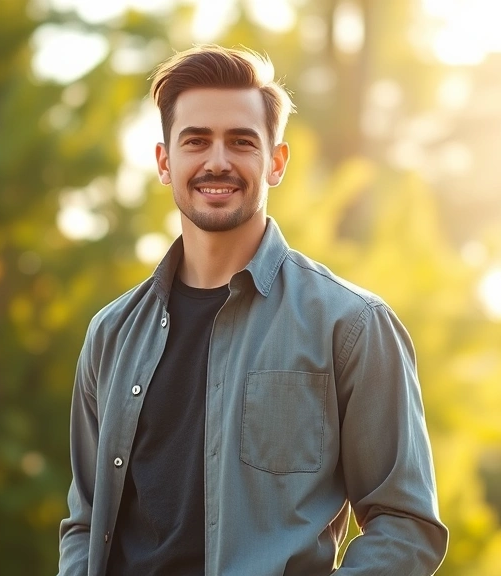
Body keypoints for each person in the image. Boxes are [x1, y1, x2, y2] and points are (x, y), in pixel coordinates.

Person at [58, 44, 448, 576]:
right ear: (164, 162)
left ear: (276, 162)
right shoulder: (111, 334)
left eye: (241, 142)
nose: (217, 161)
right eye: (196, 141)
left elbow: (405, 526)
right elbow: (85, 519)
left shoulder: (351, 326)